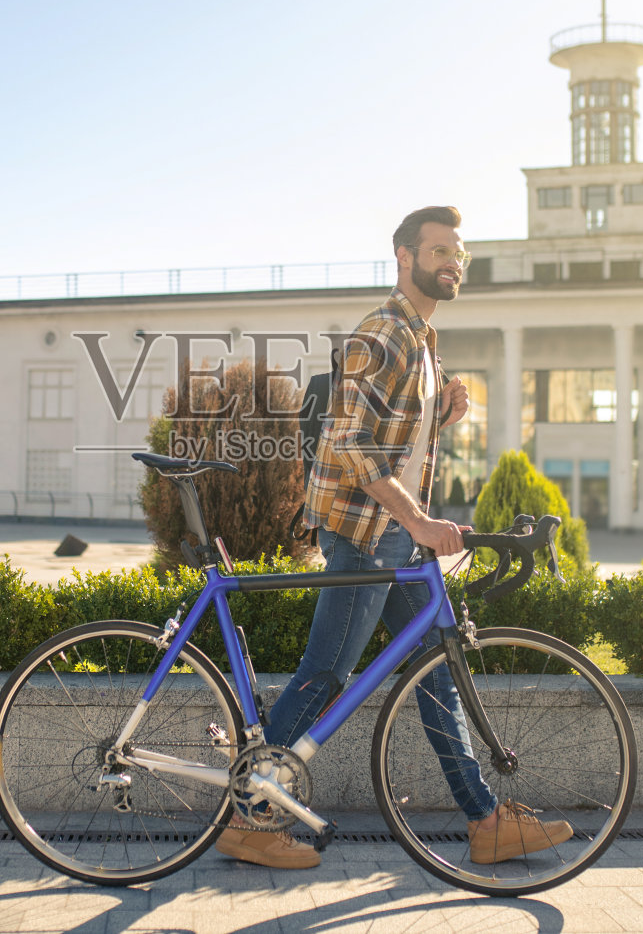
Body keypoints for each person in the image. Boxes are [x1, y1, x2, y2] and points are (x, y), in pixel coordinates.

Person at [215, 205, 573, 870]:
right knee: (327, 671)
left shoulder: (423, 341)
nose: (452, 262)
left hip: (394, 536)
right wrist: (417, 521)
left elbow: (389, 443)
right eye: (439, 250)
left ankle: (488, 820)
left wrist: (437, 419)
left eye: (459, 254)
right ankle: (252, 816)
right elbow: (351, 444)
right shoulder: (383, 333)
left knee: (437, 669)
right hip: (371, 532)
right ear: (404, 256)